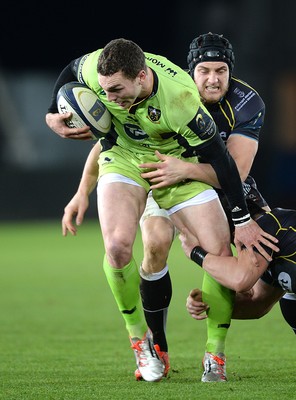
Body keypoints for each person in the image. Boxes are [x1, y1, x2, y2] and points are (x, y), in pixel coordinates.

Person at [45, 38, 278, 382]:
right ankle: (143, 343)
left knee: (219, 250)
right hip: (125, 159)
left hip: (178, 165)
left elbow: (226, 164)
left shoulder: (182, 100)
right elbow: (78, 89)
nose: (110, 100)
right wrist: (52, 114)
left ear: (141, 77)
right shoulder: (101, 69)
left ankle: (215, 353)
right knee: (122, 246)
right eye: (204, 70)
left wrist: (242, 221)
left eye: (117, 91)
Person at [183, 204, 296, 372]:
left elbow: (240, 280)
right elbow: (257, 302)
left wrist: (196, 253)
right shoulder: (275, 248)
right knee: (290, 299)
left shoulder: (270, 227)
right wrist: (210, 304)